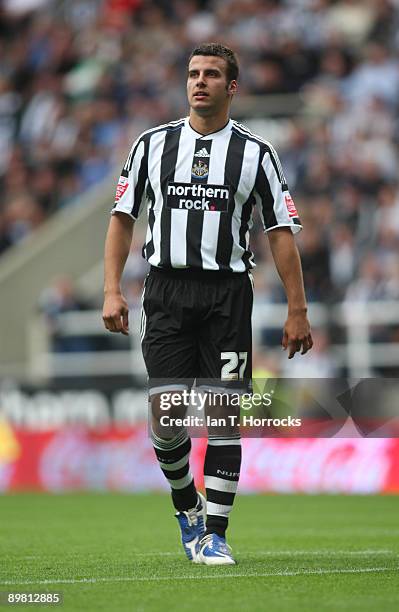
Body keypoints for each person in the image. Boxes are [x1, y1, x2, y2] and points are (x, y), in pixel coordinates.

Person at [102, 43, 313, 565]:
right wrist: (111, 289)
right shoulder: (151, 145)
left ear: (232, 87)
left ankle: (215, 534)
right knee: (166, 418)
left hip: (227, 295)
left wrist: (298, 308)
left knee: (223, 417)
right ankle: (186, 507)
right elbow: (122, 217)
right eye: (194, 73)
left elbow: (280, 231)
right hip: (167, 292)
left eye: (212, 74)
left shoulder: (256, 153)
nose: (200, 82)